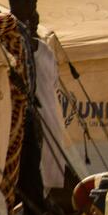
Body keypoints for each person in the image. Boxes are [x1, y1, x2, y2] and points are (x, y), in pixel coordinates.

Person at [0, 0, 46, 215]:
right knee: (12, 160)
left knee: (29, 160)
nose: (34, 7)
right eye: (31, 2)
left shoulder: (23, 30)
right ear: (20, 2)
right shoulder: (6, 22)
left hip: (26, 105)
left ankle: (32, 213)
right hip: (11, 106)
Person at [29, 12, 86, 194]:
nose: (34, 22)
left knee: (48, 157)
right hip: (32, 114)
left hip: (48, 111)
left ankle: (45, 197)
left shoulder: (45, 50)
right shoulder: (16, 47)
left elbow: (52, 81)